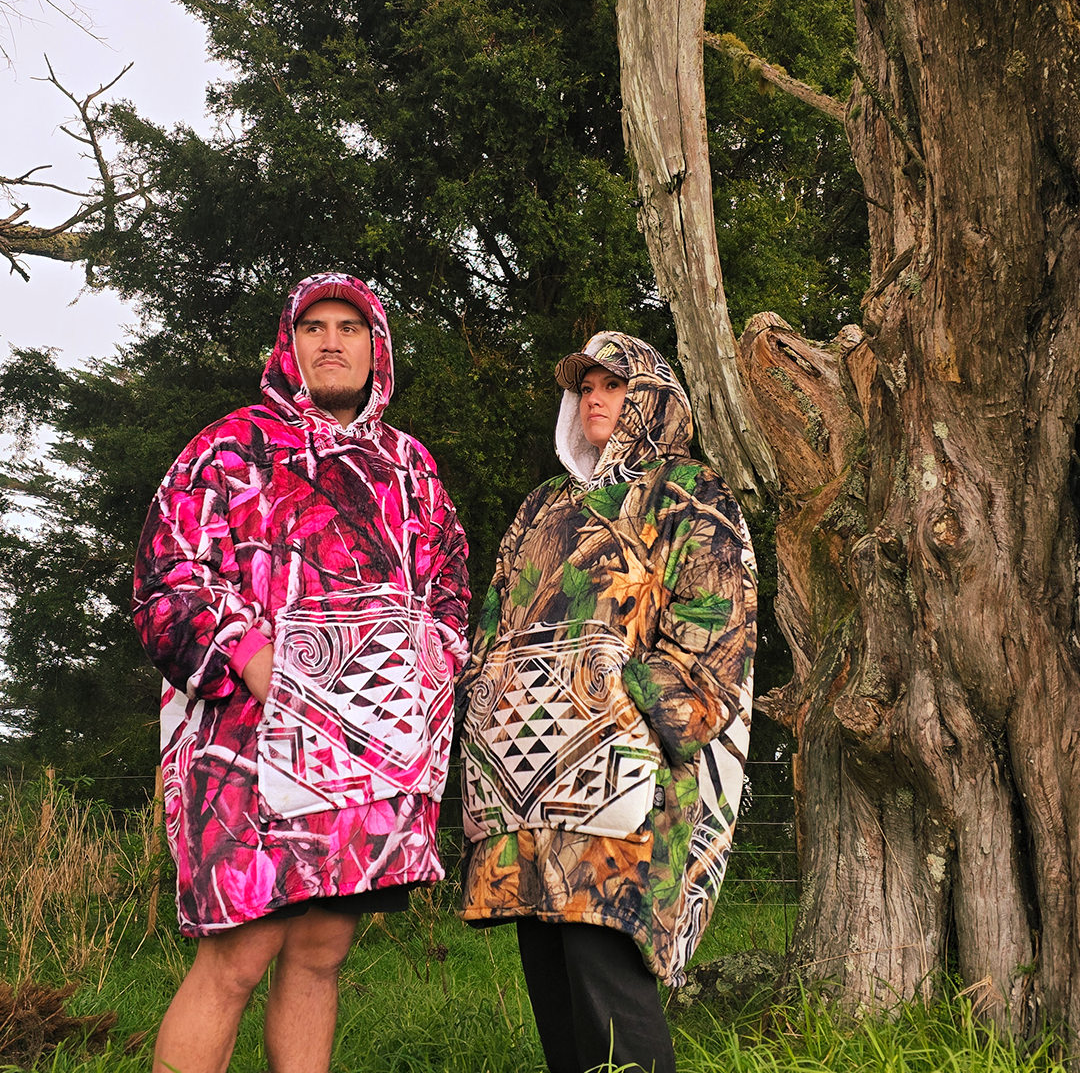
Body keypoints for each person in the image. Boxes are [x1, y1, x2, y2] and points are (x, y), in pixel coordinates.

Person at [132, 272, 469, 1073]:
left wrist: (424, 672)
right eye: (313, 326)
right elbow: (168, 580)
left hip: (365, 752)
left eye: (348, 327)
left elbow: (448, 583)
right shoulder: (229, 446)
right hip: (247, 741)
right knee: (237, 959)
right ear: (289, 345)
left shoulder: (409, 467)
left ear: (375, 346)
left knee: (320, 955)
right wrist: (257, 666)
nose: (330, 340)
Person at [457, 331, 756, 1073]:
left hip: (622, 785)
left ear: (652, 399)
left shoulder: (692, 493)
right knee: (554, 984)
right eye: (585, 385)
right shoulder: (543, 506)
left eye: (613, 385)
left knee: (610, 979)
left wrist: (629, 703)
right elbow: (495, 619)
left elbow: (714, 629)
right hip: (522, 790)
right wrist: (484, 707)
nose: (593, 396)